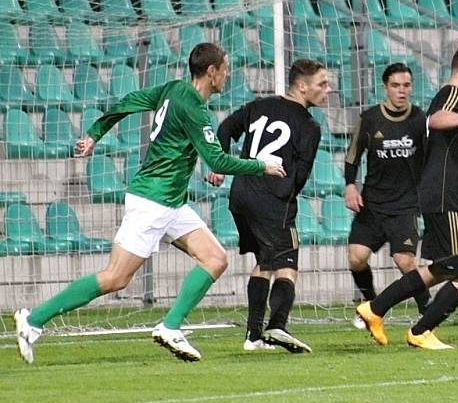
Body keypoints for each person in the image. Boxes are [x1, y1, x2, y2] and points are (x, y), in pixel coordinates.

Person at [13, 43, 285, 363]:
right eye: (225, 67)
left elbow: (129, 100)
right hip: (152, 201)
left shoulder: (172, 88)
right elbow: (217, 161)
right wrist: (261, 166)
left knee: (214, 258)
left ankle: (170, 327)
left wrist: (94, 133)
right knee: (115, 278)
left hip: (171, 201)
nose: (228, 73)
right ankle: (32, 321)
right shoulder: (195, 111)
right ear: (211, 72)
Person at [354, 44, 458, 350]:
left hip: (449, 195)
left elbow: (450, 158)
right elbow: (436, 119)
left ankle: (376, 308)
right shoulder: (454, 95)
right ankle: (420, 329)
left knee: (457, 266)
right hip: (445, 198)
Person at [212, 59, 330, 353]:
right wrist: (283, 195)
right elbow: (300, 176)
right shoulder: (309, 126)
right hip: (272, 200)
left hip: (241, 194)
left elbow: (225, 128)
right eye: (321, 84)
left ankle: (253, 336)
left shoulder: (258, 106)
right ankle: (277, 324)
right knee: (287, 263)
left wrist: (218, 163)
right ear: (302, 86)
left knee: (265, 261)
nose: (327, 90)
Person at [344, 63, 429, 325]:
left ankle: (430, 310)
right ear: (385, 88)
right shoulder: (370, 118)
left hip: (405, 206)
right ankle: (371, 306)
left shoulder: (420, 120)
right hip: (373, 204)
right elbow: (353, 155)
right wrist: (349, 186)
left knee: (405, 261)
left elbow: (431, 158)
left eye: (406, 85)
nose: (402, 91)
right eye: (396, 86)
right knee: (356, 258)